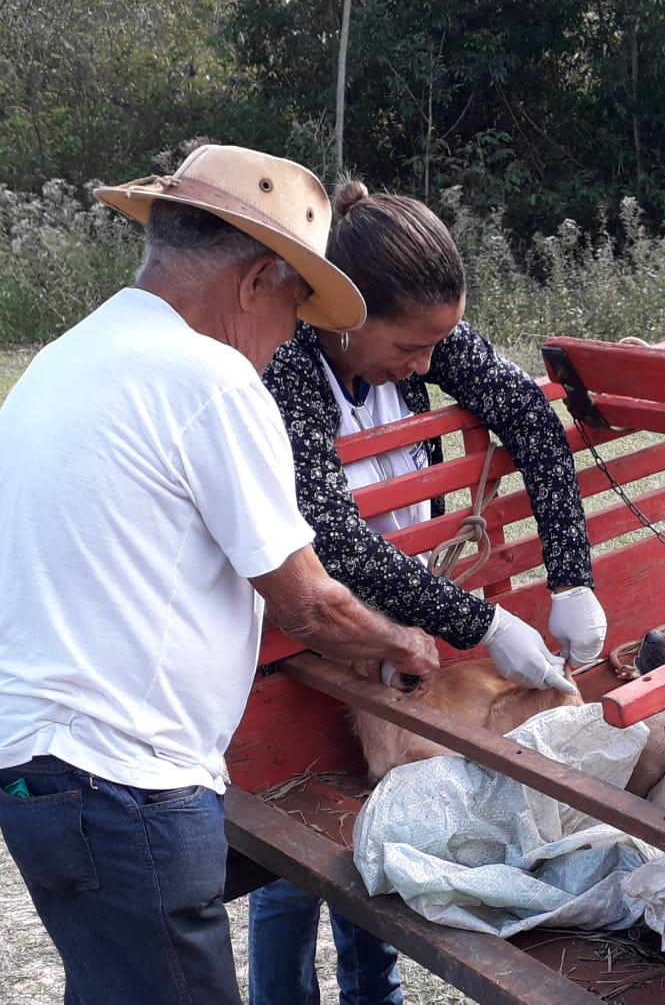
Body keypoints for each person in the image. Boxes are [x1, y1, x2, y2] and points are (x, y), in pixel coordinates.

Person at [0, 145, 440, 1005]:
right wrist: (406, 642)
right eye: (294, 303)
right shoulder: (209, 380)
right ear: (254, 281)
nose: (292, 334)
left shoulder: (68, 356)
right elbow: (309, 600)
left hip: (42, 772)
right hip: (126, 784)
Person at [249, 181, 607, 1005]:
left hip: (406, 626)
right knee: (296, 849)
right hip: (312, 634)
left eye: (437, 347)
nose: (426, 364)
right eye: (412, 349)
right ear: (345, 313)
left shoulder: (419, 340)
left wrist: (571, 576)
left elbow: (529, 416)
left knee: (377, 815)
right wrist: (482, 621)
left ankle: (373, 996)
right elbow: (329, 534)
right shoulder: (288, 370)